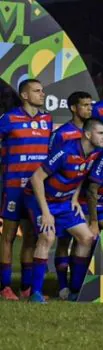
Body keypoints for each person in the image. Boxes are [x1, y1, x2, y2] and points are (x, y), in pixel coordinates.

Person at [24, 118, 103, 303]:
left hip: (63, 202)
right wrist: (46, 213)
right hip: (40, 200)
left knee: (86, 238)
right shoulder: (66, 151)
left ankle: (75, 291)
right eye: (101, 133)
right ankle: (35, 293)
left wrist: (74, 197)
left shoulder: (95, 153)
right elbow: (36, 178)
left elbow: (81, 174)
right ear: (87, 134)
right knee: (47, 237)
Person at [0, 79, 53, 301]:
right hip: (13, 186)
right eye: (37, 91)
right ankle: (4, 286)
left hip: (35, 189)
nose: (42, 94)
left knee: (31, 236)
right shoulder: (9, 119)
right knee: (9, 236)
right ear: (24, 95)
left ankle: (26, 286)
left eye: (42, 91)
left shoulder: (46, 120)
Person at [49, 91, 93, 299]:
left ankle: (77, 288)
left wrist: (76, 195)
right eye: (84, 105)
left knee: (82, 240)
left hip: (81, 196)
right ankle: (62, 286)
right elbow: (53, 166)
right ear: (74, 108)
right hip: (62, 196)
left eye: (90, 105)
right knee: (64, 242)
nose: (89, 109)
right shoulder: (63, 134)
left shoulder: (92, 133)